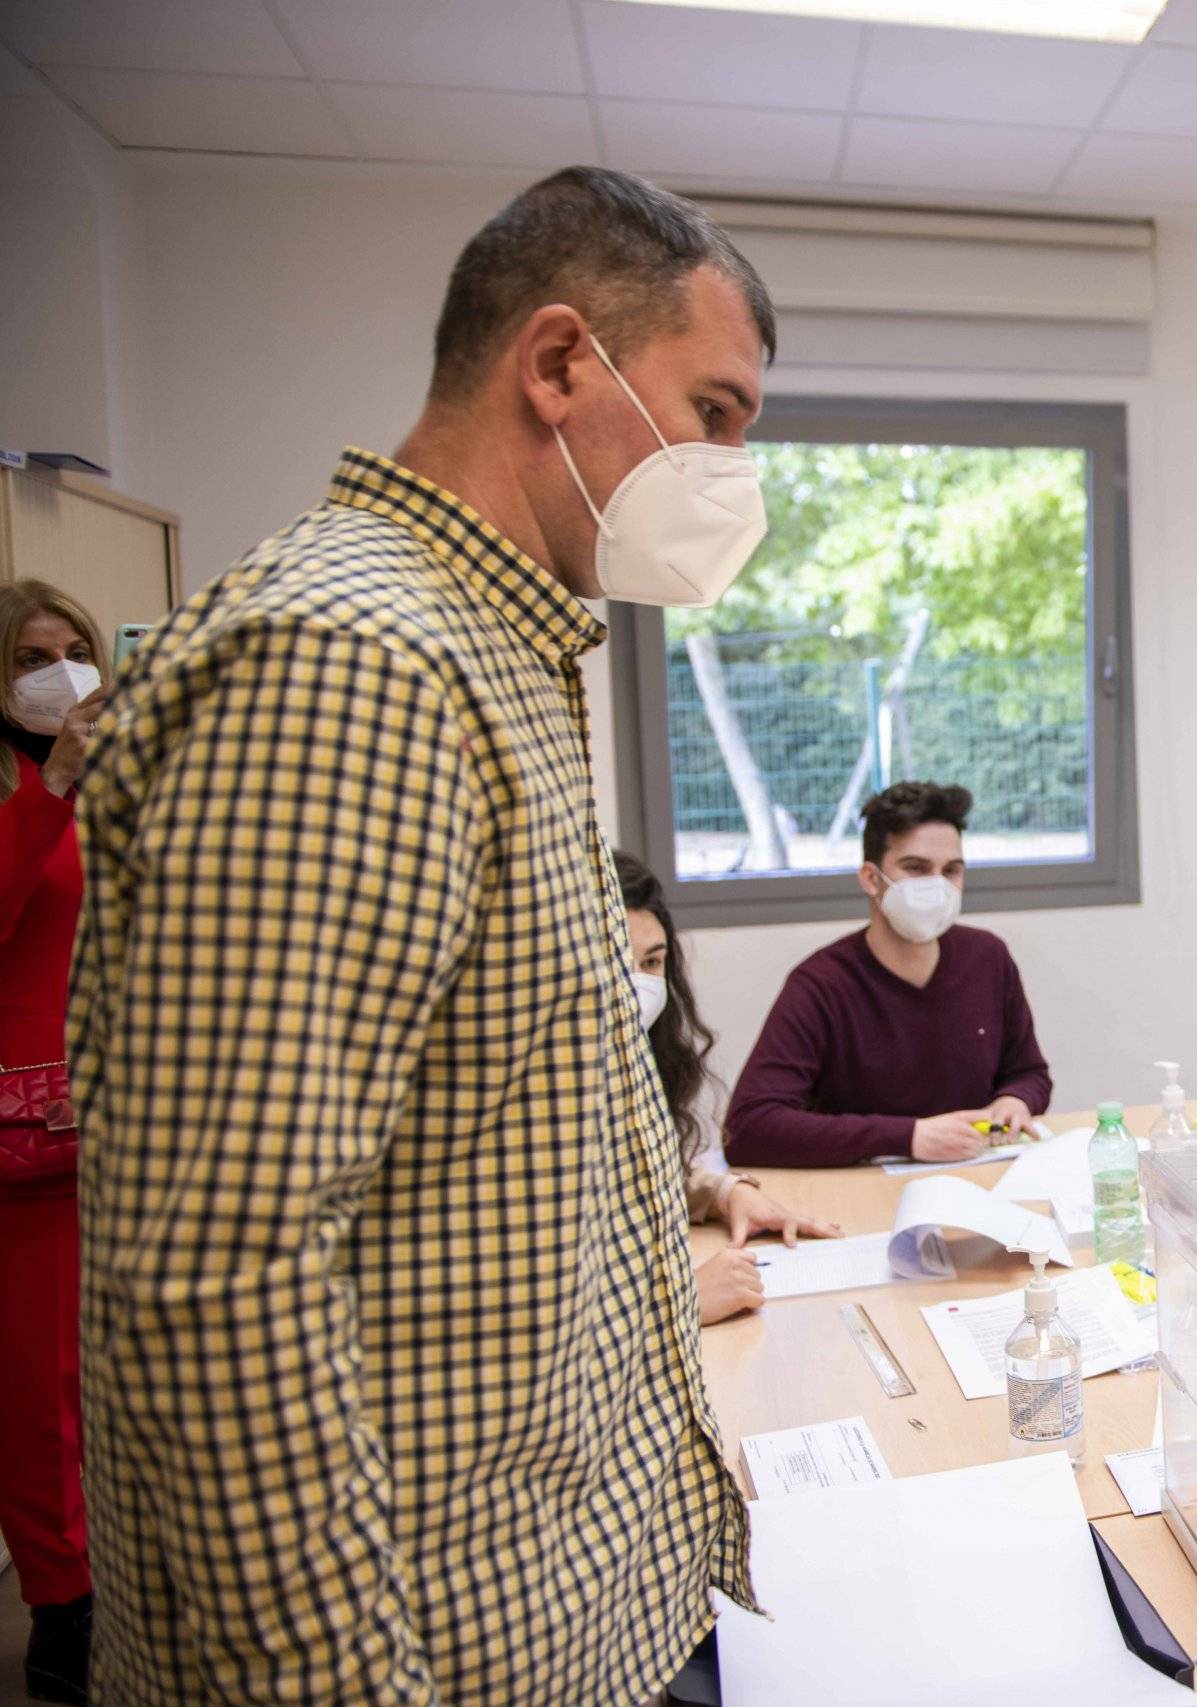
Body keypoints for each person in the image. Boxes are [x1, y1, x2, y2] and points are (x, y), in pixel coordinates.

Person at [68, 166, 777, 1703]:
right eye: (713, 413)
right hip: (443, 1649)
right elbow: (219, 1277)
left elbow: (520, 1133)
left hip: (575, 1593)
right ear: (558, 363)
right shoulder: (353, 661)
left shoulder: (500, 649)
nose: (733, 471)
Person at [726, 780, 1052, 1167]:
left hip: (978, 1173)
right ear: (870, 878)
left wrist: (1016, 1099)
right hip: (868, 1185)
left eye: (951, 870)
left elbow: (1029, 1071)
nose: (937, 885)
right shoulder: (821, 984)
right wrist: (909, 1136)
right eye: (916, 868)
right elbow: (749, 1126)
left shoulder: (988, 957)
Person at [1, 583, 109, 1705]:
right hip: (16, 1143)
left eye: (77, 650)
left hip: (108, 1121)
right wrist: (55, 787)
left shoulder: (97, 780)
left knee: (100, 1386)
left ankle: (109, 1587)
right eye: (36, 656)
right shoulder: (29, 793)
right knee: (36, 1399)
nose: (63, 673)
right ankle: (58, 1613)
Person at [614, 850, 841, 1325]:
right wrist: (678, 1305)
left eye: (652, 962)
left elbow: (631, 1178)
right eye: (617, 963)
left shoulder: (633, 1060)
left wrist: (724, 1193)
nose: (639, 985)